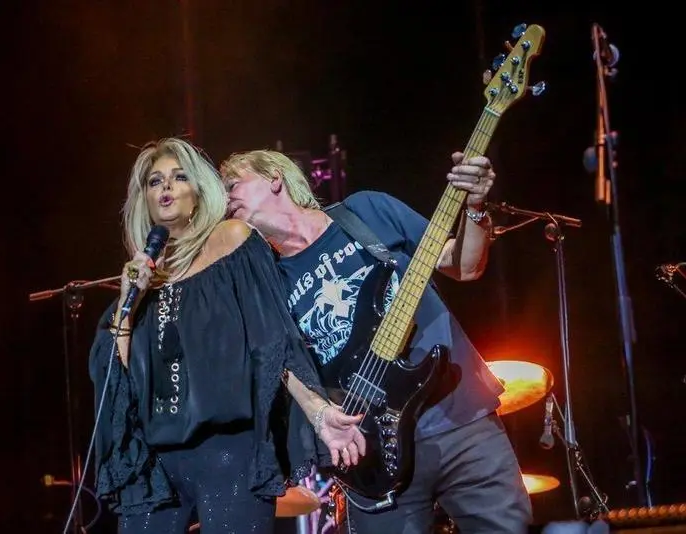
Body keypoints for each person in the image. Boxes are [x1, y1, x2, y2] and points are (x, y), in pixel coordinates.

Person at [219, 149, 533, 533]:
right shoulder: (266, 282)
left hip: (457, 417)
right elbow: (277, 363)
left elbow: (464, 265)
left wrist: (475, 208)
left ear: (275, 178)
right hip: (370, 448)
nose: (225, 198)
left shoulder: (364, 212)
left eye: (233, 184)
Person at [88, 137, 366, 534]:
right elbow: (117, 380)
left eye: (178, 177)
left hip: (228, 450)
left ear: (198, 191)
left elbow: (270, 340)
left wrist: (318, 411)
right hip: (156, 461)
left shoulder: (232, 240)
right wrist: (129, 301)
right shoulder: (142, 280)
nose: (165, 187)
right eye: (154, 181)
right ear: (144, 198)